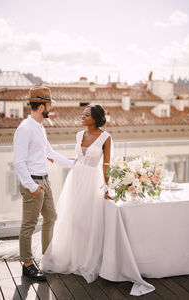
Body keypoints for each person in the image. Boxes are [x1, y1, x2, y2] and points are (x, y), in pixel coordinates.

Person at [42, 104, 112, 283]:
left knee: (85, 220)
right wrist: (58, 159)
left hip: (92, 181)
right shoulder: (79, 135)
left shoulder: (105, 138)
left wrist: (107, 188)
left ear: (95, 118)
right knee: (71, 218)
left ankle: (85, 260)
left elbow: (106, 165)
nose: (82, 117)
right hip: (75, 179)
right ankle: (71, 257)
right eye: (82, 114)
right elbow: (80, 159)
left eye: (86, 114)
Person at [13, 86, 74, 281]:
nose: (50, 107)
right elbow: (19, 163)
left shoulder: (40, 127)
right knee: (29, 225)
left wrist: (72, 164)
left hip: (44, 180)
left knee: (51, 217)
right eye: (49, 104)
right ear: (41, 106)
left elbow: (49, 151)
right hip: (33, 182)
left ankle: (47, 257)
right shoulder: (24, 129)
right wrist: (32, 187)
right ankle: (28, 264)